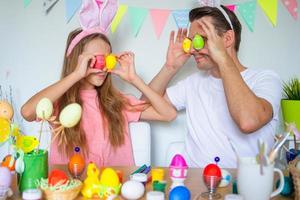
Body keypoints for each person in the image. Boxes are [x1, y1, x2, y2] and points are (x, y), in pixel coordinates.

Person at [145, 6, 282, 167]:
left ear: (228, 39)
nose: (193, 50)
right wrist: (170, 68)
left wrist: (222, 57)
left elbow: (248, 121)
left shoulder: (265, 79)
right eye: (191, 42)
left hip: (244, 184)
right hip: (196, 183)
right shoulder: (192, 83)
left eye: (201, 40)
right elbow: (141, 107)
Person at [21, 29, 176, 167]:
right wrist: (76, 75)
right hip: (70, 189)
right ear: (78, 61)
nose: (103, 67)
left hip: (113, 189)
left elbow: (168, 114)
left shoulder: (118, 102)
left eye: (107, 59)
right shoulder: (58, 102)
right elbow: (27, 112)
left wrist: (134, 79)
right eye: (95, 60)